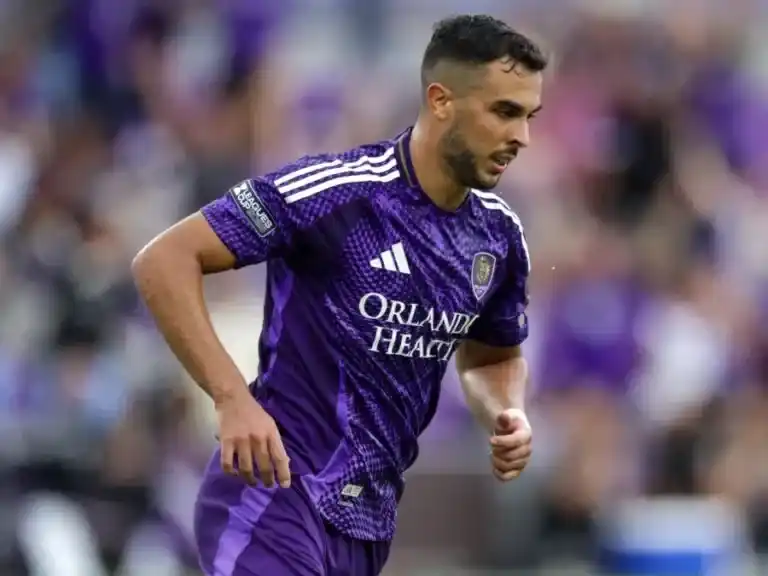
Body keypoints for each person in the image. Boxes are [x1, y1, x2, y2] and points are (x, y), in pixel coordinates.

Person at [131, 14, 547, 576]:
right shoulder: (335, 194)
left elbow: (491, 356)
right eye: (504, 112)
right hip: (272, 494)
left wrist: (505, 410)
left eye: (528, 116)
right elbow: (164, 261)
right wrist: (231, 398)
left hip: (366, 526)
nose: (521, 137)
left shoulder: (499, 237)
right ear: (441, 101)